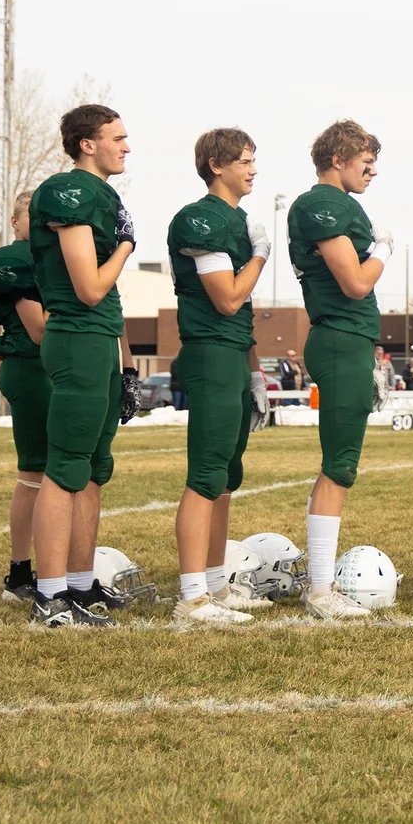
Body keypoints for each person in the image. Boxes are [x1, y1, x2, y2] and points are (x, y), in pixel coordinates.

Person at [26, 104, 139, 627]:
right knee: (66, 464)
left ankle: (79, 583)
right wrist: (126, 245)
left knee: (93, 468)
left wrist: (128, 364)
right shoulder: (67, 190)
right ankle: (48, 596)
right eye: (116, 137)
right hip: (76, 335)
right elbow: (91, 287)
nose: (126, 146)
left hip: (99, 340)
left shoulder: (103, 194)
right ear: (86, 143)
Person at [164, 129, 275, 628]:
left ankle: (214, 584)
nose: (252, 169)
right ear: (216, 165)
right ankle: (191, 599)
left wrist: (256, 373)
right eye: (244, 161)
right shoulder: (200, 218)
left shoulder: (237, 219)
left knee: (227, 476)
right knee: (206, 474)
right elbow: (227, 298)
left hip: (232, 354)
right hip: (208, 353)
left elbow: (242, 314)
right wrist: (259, 257)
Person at [287, 119, 392, 621]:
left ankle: (319, 581)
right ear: (337, 159)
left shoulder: (337, 205)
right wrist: (384, 252)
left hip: (345, 339)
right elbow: (354, 282)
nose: (372, 171)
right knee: (340, 465)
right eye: (364, 161)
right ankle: (322, 589)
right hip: (338, 336)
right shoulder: (324, 204)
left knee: (339, 463)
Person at [0, 190, 50, 605]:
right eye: (33, 218)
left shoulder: (50, 259)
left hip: (53, 367)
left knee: (56, 475)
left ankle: (53, 567)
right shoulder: (13, 259)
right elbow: (39, 330)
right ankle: (20, 572)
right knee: (35, 474)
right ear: (15, 221)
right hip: (30, 366)